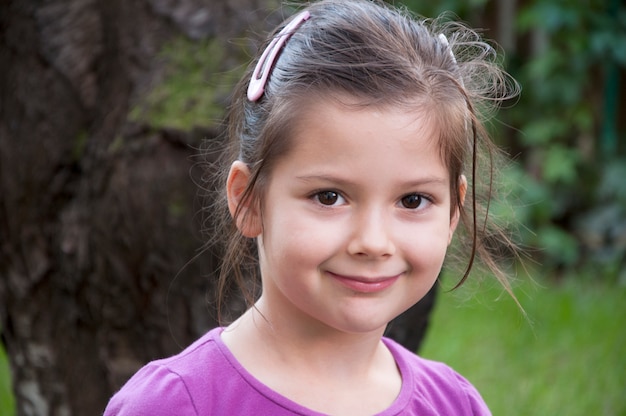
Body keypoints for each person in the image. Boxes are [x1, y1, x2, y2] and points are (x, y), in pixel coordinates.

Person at [104, 0, 520, 414]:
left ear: (453, 213)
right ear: (248, 200)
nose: (373, 243)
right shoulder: (174, 405)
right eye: (329, 197)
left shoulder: (454, 405)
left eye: (413, 200)